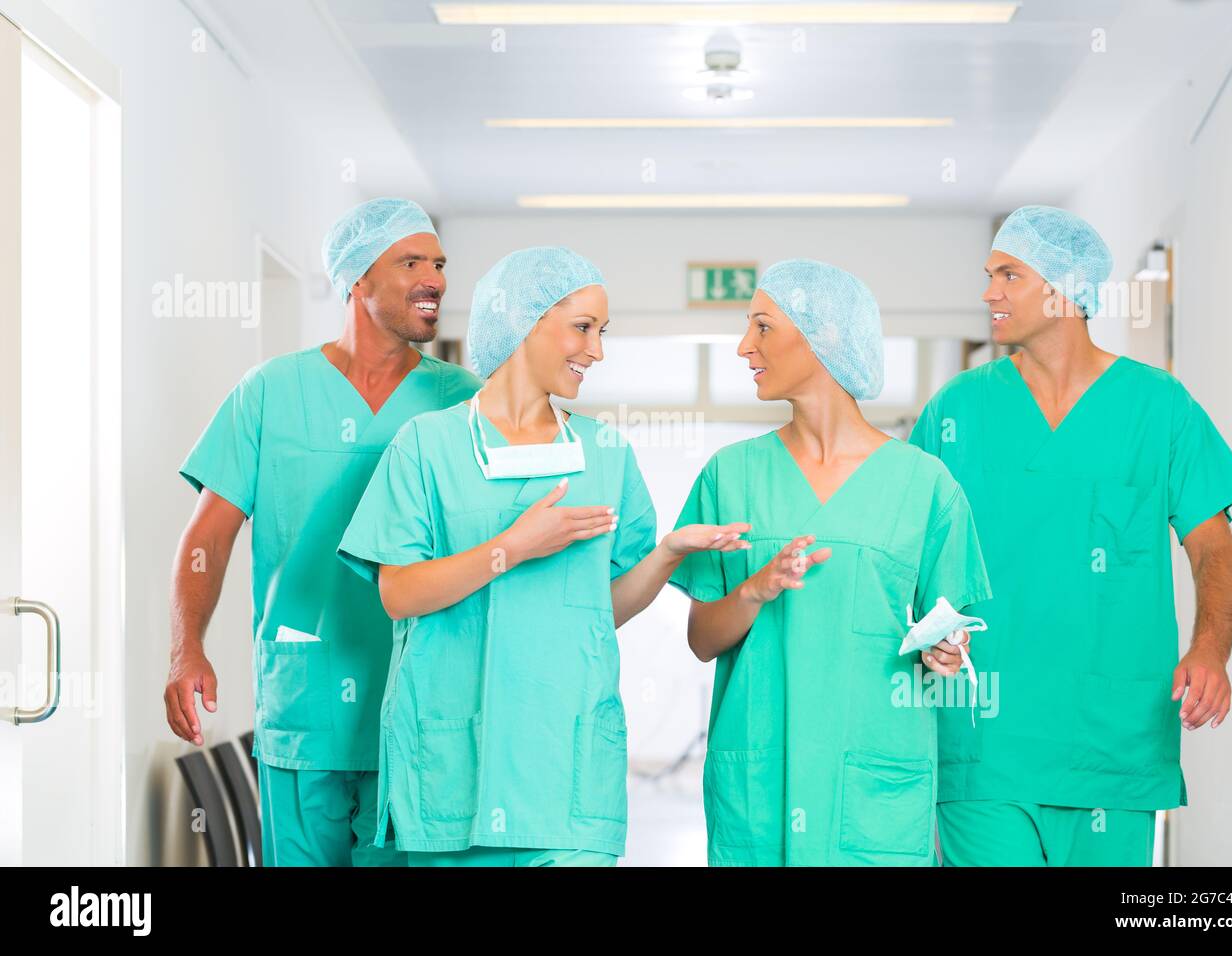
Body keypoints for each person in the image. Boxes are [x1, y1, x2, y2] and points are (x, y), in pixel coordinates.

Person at [336, 246, 747, 867]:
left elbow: (595, 612)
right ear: (524, 320)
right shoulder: (428, 446)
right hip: (456, 770)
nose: (597, 351)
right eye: (583, 328)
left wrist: (665, 555)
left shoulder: (605, 454)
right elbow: (398, 593)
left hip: (569, 772)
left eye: (602, 332)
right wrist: (511, 548)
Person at [909, 205, 1232, 866]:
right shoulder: (955, 410)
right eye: (990, 275)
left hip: (1114, 748)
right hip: (985, 747)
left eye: (1008, 274)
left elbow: (1213, 547)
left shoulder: (1160, 407)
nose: (989, 293)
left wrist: (1209, 650)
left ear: (1065, 289)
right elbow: (917, 553)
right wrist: (930, 632)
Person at [164, 198, 480, 866]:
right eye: (412, 261)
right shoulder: (270, 391)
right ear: (356, 280)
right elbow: (207, 537)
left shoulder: (462, 400)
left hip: (421, 713)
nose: (436, 279)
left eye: (440, 263)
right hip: (305, 707)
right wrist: (185, 648)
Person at [668, 259, 992, 866]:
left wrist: (946, 651)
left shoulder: (924, 485)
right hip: (761, 782)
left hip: (872, 786)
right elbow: (702, 641)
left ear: (829, 337)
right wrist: (755, 591)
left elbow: (951, 634)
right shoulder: (730, 476)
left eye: (763, 327)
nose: (744, 346)